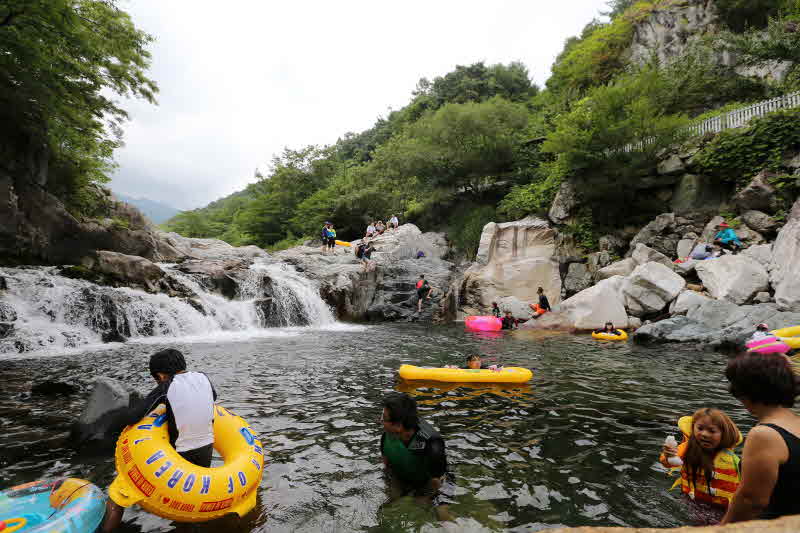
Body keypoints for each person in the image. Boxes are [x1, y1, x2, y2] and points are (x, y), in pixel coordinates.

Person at [101, 349, 217, 532]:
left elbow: (134, 416)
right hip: (207, 449)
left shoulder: (167, 386)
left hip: (181, 455)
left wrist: (110, 417)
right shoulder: (203, 377)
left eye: (156, 378)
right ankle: (189, 527)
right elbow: (213, 398)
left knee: (119, 493)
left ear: (161, 375)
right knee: (189, 500)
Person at [721, 353, 800, 523]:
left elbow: (752, 501)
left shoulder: (765, 435)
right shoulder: (796, 423)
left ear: (744, 393)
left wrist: (721, 529)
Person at [660, 408, 742, 512]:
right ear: (693, 428)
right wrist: (668, 456)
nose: (704, 434)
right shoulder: (687, 447)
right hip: (692, 500)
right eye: (700, 428)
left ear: (724, 434)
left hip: (724, 507)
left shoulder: (732, 458)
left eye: (712, 431)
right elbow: (667, 463)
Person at [380, 393, 448, 510]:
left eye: (384, 418)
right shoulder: (387, 437)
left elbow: (437, 483)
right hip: (402, 476)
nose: (380, 420)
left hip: (429, 482)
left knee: (434, 513)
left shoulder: (432, 445)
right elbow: (386, 466)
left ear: (398, 426)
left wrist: (428, 498)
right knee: (389, 507)